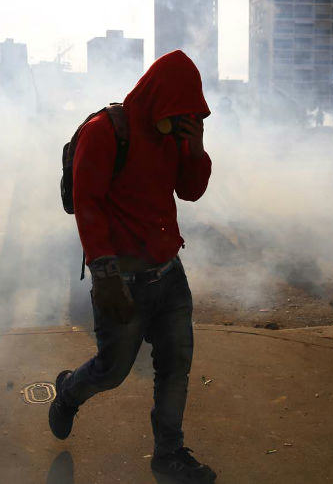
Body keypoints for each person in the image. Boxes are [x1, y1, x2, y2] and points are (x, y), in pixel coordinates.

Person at [49, 50, 217, 483]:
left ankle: (169, 453)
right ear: (158, 97)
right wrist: (104, 277)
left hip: (168, 273)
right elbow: (88, 206)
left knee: (175, 366)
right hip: (121, 280)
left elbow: (192, 191)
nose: (182, 119)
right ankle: (68, 392)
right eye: (180, 111)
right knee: (112, 371)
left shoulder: (174, 135)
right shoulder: (105, 132)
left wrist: (194, 145)